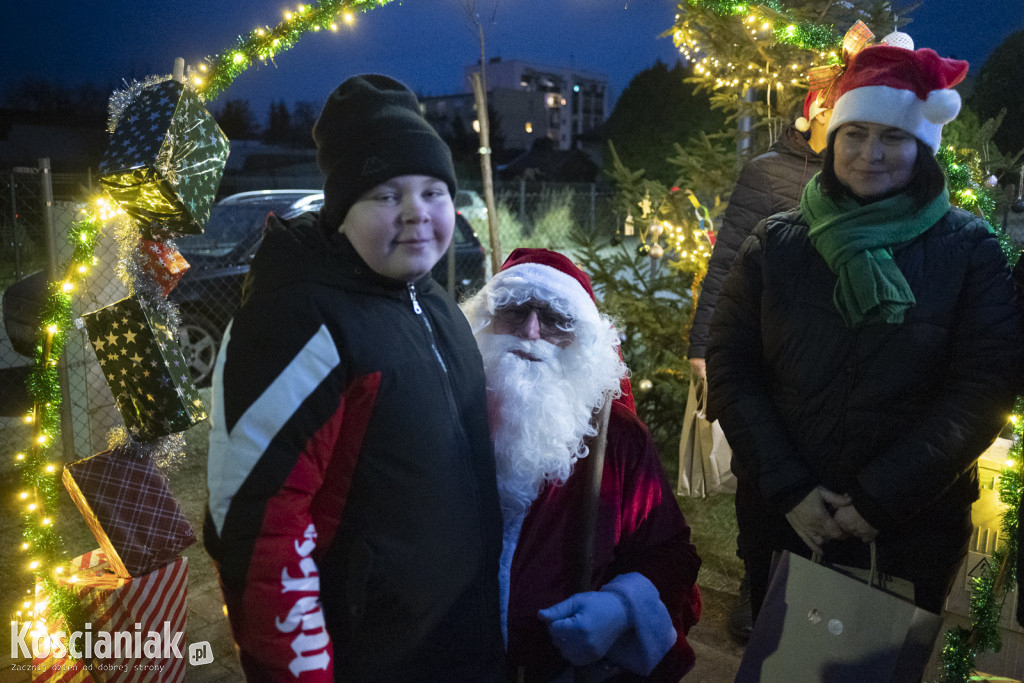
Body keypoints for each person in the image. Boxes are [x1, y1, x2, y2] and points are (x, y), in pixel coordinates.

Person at [706, 38, 1022, 654]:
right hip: (783, 515)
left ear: (922, 149)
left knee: (874, 668)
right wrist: (791, 488)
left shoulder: (969, 250)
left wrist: (878, 501)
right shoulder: (777, 244)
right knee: (783, 663)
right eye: (854, 134)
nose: (869, 154)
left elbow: (982, 387)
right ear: (832, 139)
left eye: (892, 137)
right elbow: (732, 364)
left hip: (910, 527)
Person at [203, 75, 504, 681]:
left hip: (456, 636)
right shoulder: (300, 319)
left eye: (433, 191)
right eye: (386, 195)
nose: (417, 213)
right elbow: (260, 523)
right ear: (340, 212)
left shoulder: (436, 305)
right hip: (370, 652)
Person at [462, 248, 702, 682]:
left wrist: (622, 606)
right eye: (515, 311)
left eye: (556, 319)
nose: (531, 332)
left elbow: (671, 553)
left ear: (583, 342)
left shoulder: (619, 439)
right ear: (485, 323)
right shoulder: (446, 418)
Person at [686, 89, 831, 641]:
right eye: (831, 109)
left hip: (823, 354)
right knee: (758, 473)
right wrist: (703, 345)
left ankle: (813, 592)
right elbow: (726, 261)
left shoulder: (862, 179)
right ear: (812, 112)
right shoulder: (767, 173)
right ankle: (756, 582)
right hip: (767, 347)